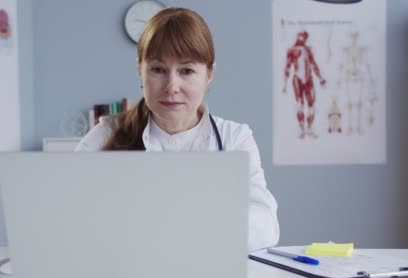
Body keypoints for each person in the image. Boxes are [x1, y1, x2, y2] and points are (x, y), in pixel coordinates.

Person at [75, 7, 279, 252]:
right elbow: (68, 213)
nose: (172, 86)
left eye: (187, 71)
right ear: (140, 70)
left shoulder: (234, 138)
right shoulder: (106, 136)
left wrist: (194, 228)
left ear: (209, 74)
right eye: (158, 69)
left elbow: (266, 225)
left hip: (209, 275)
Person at [283, 30, 326, 139]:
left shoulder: (308, 50)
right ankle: (302, 130)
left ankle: (310, 128)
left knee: (311, 104)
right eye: (300, 37)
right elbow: (288, 66)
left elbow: (313, 64)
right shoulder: (291, 50)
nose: (301, 39)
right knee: (300, 104)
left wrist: (320, 78)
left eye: (303, 37)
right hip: (297, 79)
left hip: (308, 79)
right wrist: (285, 83)